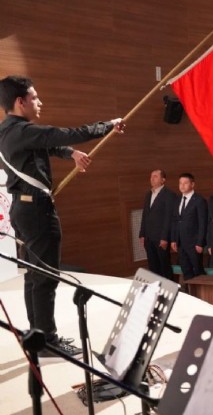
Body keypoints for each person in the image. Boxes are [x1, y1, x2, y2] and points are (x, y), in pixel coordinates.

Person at [0, 75, 124, 359]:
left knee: (34, 276)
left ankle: (37, 336)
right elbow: (65, 134)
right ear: (20, 102)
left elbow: (50, 144)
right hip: (37, 211)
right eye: (34, 97)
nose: (39, 102)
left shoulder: (7, 132)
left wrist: (70, 154)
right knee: (46, 277)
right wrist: (109, 126)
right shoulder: (22, 131)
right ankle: (48, 341)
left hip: (22, 208)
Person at [139, 169, 176, 279]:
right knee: (153, 266)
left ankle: (169, 291)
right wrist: (142, 234)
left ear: (163, 180)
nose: (152, 178)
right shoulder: (148, 194)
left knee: (164, 266)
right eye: (151, 176)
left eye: (155, 176)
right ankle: (156, 290)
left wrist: (165, 238)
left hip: (161, 238)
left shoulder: (169, 195)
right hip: (149, 237)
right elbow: (145, 215)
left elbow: (168, 218)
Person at [171, 173, 208, 280]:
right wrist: (174, 239)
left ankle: (201, 294)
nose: (182, 186)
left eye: (185, 183)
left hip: (194, 243)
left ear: (192, 184)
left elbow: (203, 223)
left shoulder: (199, 200)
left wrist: (200, 243)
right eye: (180, 183)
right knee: (186, 270)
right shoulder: (177, 200)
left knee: (198, 270)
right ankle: (190, 293)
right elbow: (175, 221)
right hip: (181, 243)